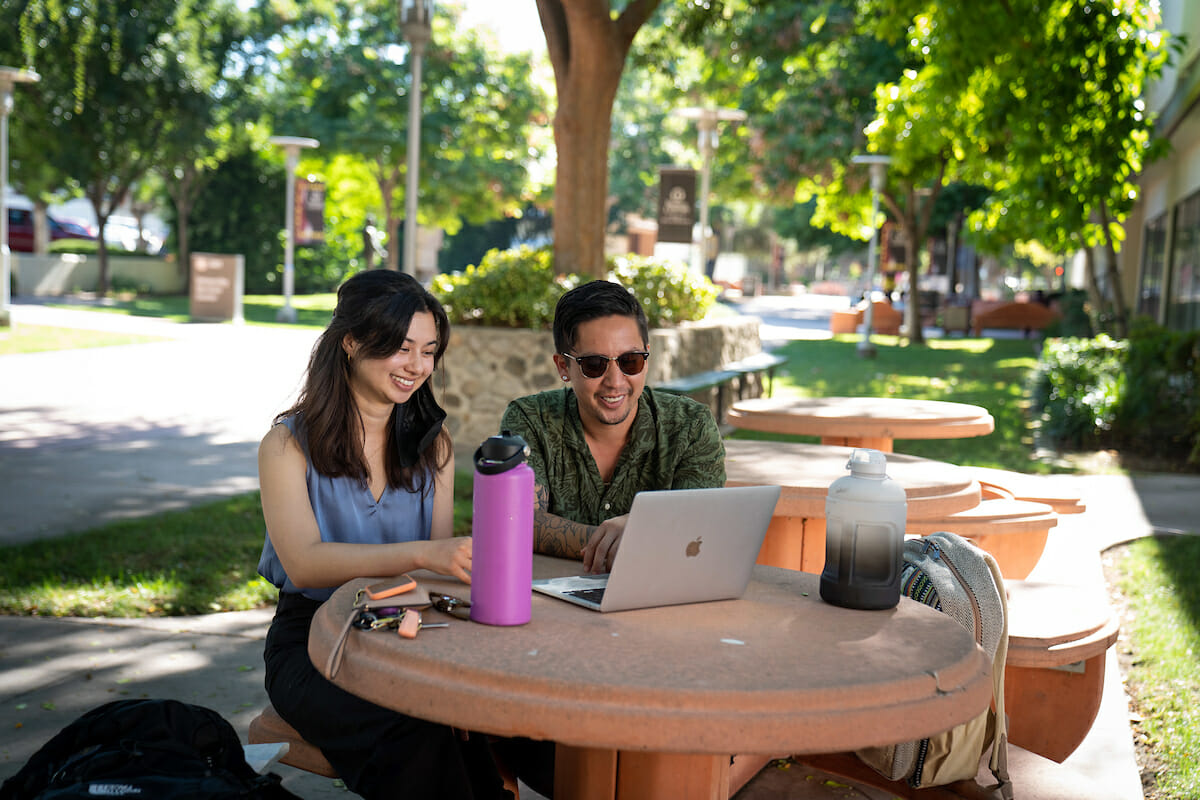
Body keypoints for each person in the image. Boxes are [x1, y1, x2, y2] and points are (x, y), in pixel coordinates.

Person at [256, 269, 515, 800]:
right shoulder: (286, 444)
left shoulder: (432, 442)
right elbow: (304, 565)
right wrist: (425, 552)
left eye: (429, 351)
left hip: (403, 628)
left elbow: (434, 576)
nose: (417, 367)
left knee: (468, 726)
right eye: (401, 348)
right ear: (351, 343)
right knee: (414, 731)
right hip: (312, 640)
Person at [500, 279, 726, 574]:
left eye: (630, 361)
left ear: (647, 356)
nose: (615, 381)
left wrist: (637, 529)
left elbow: (702, 519)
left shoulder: (690, 427)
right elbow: (518, 520)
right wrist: (641, 534)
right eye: (594, 364)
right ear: (563, 367)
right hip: (549, 603)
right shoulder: (529, 420)